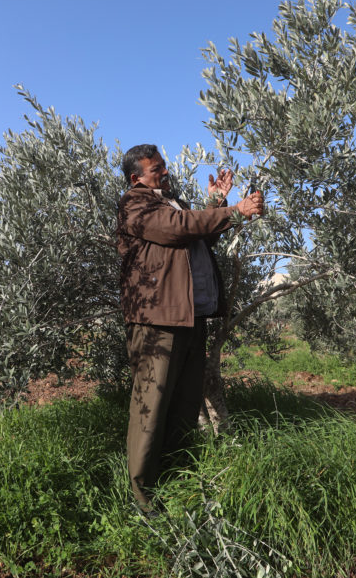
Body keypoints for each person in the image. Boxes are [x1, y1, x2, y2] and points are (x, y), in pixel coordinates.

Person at [115, 143, 263, 508]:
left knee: (183, 404)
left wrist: (217, 205)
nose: (164, 172)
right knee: (151, 408)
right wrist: (234, 210)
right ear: (137, 178)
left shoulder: (170, 201)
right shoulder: (134, 203)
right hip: (156, 323)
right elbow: (176, 229)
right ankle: (143, 498)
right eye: (156, 170)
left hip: (187, 318)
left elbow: (200, 234)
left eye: (164, 166)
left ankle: (176, 481)